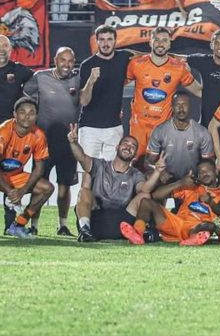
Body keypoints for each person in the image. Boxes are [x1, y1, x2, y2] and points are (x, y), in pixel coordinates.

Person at [67, 126, 161, 242]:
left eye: (133, 146)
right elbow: (82, 158)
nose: (128, 147)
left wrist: (157, 172)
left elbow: (145, 189)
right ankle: (85, 230)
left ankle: (139, 232)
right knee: (84, 191)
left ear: (135, 154)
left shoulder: (136, 174)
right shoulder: (99, 165)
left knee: (145, 196)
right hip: (96, 221)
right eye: (125, 143)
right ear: (117, 147)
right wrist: (74, 143)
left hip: (123, 223)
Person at [23, 47, 80, 235]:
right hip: (44, 144)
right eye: (63, 60)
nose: (67, 64)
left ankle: (62, 225)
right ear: (55, 60)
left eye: (70, 61)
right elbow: (27, 105)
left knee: (65, 188)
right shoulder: (39, 77)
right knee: (39, 186)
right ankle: (34, 226)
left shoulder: (78, 78)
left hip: (69, 144)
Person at [125, 27, 202, 159]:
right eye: (157, 40)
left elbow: (199, 91)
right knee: (135, 168)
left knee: (159, 170)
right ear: (150, 42)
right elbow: (116, 85)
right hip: (138, 127)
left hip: (162, 130)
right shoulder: (136, 64)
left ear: (170, 43)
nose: (160, 44)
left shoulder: (179, 67)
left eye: (164, 40)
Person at [120, 158, 220, 246]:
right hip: (176, 223)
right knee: (146, 202)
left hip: (196, 227)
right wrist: (180, 183)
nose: (204, 174)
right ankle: (138, 234)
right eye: (201, 172)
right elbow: (155, 195)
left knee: (209, 225)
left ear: (216, 171)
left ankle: (193, 239)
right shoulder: (191, 188)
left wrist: (209, 200)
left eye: (207, 171)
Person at [0, 97, 54, 238]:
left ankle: (18, 225)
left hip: (15, 177)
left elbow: (39, 168)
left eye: (32, 113)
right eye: (22, 112)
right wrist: (11, 192)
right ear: (15, 114)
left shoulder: (39, 135)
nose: (27, 116)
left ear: (36, 116)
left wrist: (22, 191)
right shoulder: (4, 130)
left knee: (47, 188)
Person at [78, 26, 133, 162]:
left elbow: (143, 57)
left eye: (109, 39)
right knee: (88, 172)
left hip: (114, 126)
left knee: (114, 171)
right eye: (101, 40)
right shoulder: (87, 65)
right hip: (89, 127)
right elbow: (84, 101)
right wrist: (91, 81)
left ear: (115, 41)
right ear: (96, 41)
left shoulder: (123, 57)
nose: (105, 43)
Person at [146, 92, 215, 180]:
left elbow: (209, 164)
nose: (181, 108)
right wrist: (160, 171)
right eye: (177, 105)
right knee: (148, 177)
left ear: (190, 106)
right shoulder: (160, 131)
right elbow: (148, 162)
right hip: (167, 181)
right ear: (172, 107)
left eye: (184, 105)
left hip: (192, 181)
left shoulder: (202, 132)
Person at [0, 34, 33, 122]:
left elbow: (41, 80)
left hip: (12, 127)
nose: (1, 50)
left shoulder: (19, 70)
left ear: (10, 49)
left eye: (5, 46)